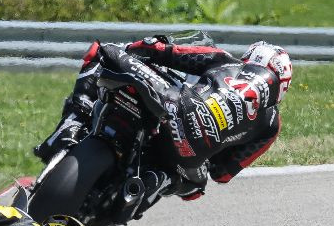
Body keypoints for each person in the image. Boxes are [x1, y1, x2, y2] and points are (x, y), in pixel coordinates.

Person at [35, 32, 292, 202]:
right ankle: (148, 185)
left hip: (177, 105)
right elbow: (222, 174)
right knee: (193, 188)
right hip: (192, 154)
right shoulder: (271, 124)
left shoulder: (226, 61)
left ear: (253, 57)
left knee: (101, 51)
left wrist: (138, 48)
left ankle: (72, 122)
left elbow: (166, 51)